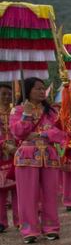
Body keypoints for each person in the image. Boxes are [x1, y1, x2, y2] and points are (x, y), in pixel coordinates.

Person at [10, 78, 66, 243]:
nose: (43, 92)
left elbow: (61, 133)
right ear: (28, 91)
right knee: (27, 195)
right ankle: (29, 230)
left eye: (43, 89)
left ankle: (51, 228)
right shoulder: (18, 110)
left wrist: (43, 134)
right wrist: (26, 115)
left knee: (50, 194)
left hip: (49, 156)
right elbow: (18, 133)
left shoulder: (51, 112)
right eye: (38, 89)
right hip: (27, 156)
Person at [0, 84, 19, 231]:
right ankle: (1, 222)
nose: (6, 97)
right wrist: (5, 146)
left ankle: (20, 220)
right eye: (3, 94)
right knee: (1, 190)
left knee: (18, 188)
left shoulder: (15, 112)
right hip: (2, 154)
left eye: (8, 94)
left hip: (16, 152)